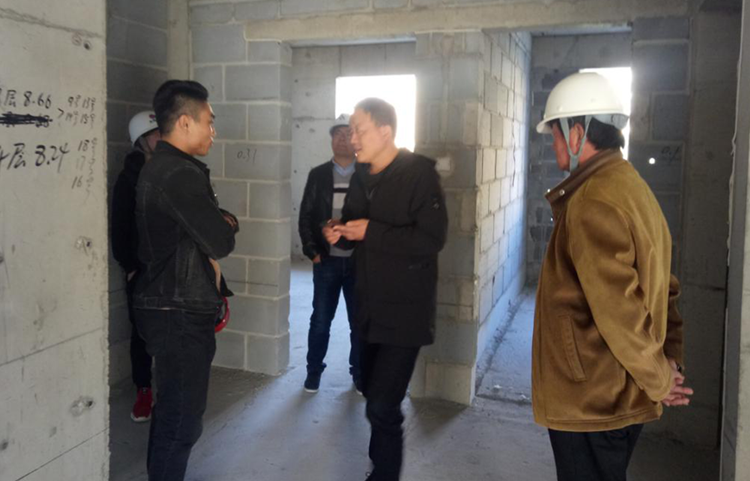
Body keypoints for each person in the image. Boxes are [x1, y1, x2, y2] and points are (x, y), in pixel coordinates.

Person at [531, 72, 694, 481]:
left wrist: (660, 379)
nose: (553, 146)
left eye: (555, 135)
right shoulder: (631, 186)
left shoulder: (593, 201)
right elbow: (665, 286)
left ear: (577, 133)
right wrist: (669, 359)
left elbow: (619, 311)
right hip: (617, 391)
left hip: (593, 398)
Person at [325, 98, 448, 481]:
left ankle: (384, 474)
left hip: (405, 312)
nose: (352, 138)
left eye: (359, 130)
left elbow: (432, 239)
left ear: (385, 131)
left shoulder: (418, 174)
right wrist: (338, 231)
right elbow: (353, 227)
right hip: (368, 307)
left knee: (382, 405)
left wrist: (370, 232)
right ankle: (379, 466)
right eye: (350, 131)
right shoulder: (362, 176)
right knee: (371, 394)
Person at [133, 80, 238, 481]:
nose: (213, 131)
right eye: (209, 121)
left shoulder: (170, 168)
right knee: (181, 422)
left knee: (173, 414)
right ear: (184, 122)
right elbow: (219, 240)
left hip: (172, 305)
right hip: (177, 311)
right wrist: (226, 224)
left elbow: (204, 231)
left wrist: (220, 223)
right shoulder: (177, 173)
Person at [298, 113, 361, 393]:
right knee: (321, 321)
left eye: (347, 134)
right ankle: (313, 372)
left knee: (359, 324)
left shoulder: (367, 174)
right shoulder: (319, 174)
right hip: (327, 261)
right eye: (337, 134)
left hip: (359, 264)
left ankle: (359, 373)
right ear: (331, 139)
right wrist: (313, 251)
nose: (342, 139)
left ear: (355, 139)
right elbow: (306, 216)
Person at [111, 111, 160, 422]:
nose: (162, 138)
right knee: (141, 332)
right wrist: (129, 266)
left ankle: (171, 388)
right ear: (141, 141)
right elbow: (119, 227)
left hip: (170, 265)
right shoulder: (128, 179)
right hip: (141, 269)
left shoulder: (174, 170)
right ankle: (143, 390)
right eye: (155, 134)